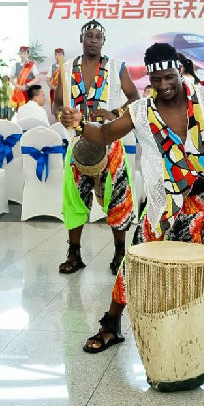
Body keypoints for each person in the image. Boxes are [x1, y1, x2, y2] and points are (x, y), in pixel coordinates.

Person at [60, 42, 204, 364]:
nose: (164, 85)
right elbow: (103, 134)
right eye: (156, 80)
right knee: (133, 268)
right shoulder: (140, 111)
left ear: (180, 71)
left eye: (169, 77)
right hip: (163, 209)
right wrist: (78, 123)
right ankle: (111, 326)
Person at [51, 19, 139, 275]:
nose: (93, 40)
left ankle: (120, 254)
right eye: (89, 35)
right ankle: (74, 254)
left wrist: (115, 114)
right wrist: (61, 115)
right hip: (77, 142)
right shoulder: (67, 69)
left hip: (110, 143)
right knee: (74, 198)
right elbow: (56, 104)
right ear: (82, 39)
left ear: (103, 41)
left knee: (117, 197)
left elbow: (135, 98)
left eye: (98, 36)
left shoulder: (116, 67)